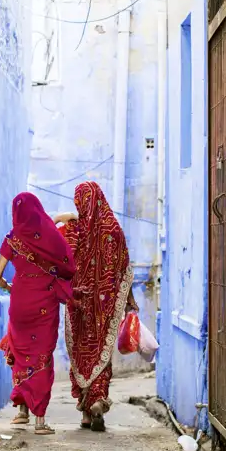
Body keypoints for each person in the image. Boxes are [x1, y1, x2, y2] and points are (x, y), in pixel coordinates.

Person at [54, 181, 138, 432]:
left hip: (78, 304)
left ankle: (85, 413)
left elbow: (58, 256)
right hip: (105, 307)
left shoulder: (74, 230)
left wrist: (68, 217)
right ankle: (97, 401)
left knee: (82, 353)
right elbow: (124, 270)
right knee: (101, 354)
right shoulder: (114, 230)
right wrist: (129, 300)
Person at [0, 192, 76, 435]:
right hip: (44, 302)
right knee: (41, 356)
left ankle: (21, 413)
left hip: (20, 301)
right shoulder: (49, 235)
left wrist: (8, 287)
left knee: (21, 354)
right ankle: (40, 421)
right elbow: (67, 265)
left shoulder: (12, 238)